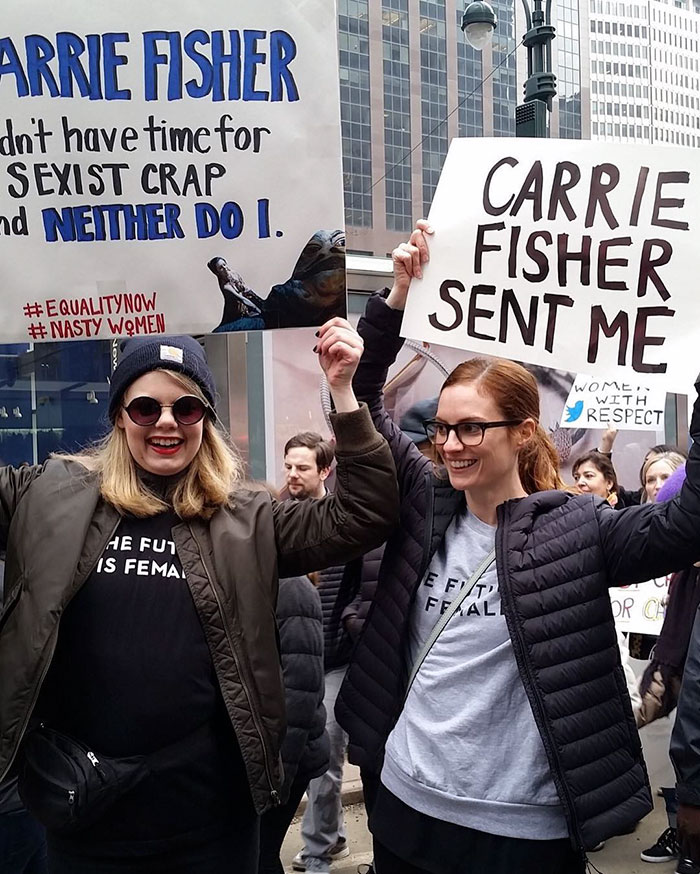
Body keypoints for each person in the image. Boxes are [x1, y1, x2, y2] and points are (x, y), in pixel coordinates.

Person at [332, 219, 700, 874]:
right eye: (443, 429)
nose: (450, 445)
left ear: (523, 432)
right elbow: (364, 396)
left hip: (523, 836)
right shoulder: (424, 502)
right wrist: (396, 296)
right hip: (404, 807)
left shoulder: (579, 526)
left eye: (471, 427)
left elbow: (686, 523)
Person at [0, 331, 398, 874]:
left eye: (187, 408)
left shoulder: (248, 516)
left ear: (205, 421)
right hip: (83, 810)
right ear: (119, 416)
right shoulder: (47, 493)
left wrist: (345, 393)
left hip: (210, 817)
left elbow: (365, 513)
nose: (167, 422)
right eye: (146, 407)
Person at [284, 433, 355, 873]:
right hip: (290, 660)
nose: (292, 474)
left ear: (324, 471)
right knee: (302, 758)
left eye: (302, 467)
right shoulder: (273, 516)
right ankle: (336, 837)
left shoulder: (344, 521)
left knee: (326, 760)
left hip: (335, 660)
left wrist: (349, 624)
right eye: (288, 466)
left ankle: (316, 855)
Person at [258, 571, 329, 874]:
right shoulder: (260, 575)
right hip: (270, 758)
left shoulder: (292, 588)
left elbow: (300, 692)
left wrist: (277, 779)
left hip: (286, 760)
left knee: (260, 856)